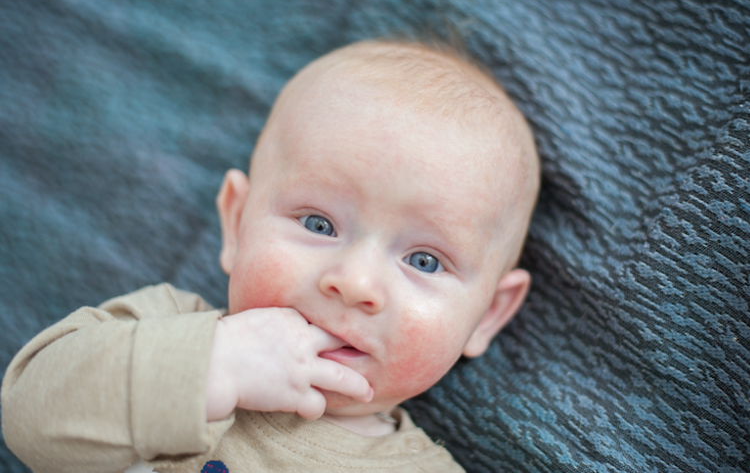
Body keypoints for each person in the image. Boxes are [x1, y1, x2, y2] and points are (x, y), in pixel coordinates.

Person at [2, 40, 540, 473]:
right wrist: (212, 363)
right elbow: (29, 416)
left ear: (487, 314)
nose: (355, 282)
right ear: (238, 225)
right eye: (318, 224)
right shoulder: (160, 328)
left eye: (424, 261)